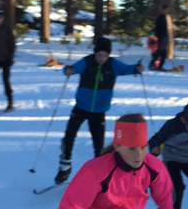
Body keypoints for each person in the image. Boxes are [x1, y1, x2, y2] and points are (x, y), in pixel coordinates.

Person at [56, 35, 143, 184]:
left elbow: (127, 69)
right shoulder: (87, 61)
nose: (102, 58)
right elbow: (73, 68)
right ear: (95, 53)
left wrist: (137, 68)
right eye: (99, 55)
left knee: (99, 146)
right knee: (69, 136)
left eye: (105, 55)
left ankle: (99, 176)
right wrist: (68, 70)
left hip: (99, 111)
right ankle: (65, 168)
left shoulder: (113, 64)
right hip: (81, 107)